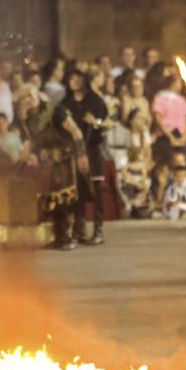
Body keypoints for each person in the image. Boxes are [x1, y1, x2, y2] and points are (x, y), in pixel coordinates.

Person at [26, 89, 88, 250]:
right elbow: (36, 142)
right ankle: (60, 235)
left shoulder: (56, 112)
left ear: (39, 97)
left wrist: (81, 155)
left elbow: (75, 131)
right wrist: (36, 154)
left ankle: (73, 235)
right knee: (53, 199)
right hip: (51, 162)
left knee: (70, 197)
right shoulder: (31, 119)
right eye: (23, 97)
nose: (27, 100)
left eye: (30, 96)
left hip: (69, 159)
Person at [62, 68, 110, 245]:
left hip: (92, 149)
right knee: (77, 191)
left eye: (77, 77)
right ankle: (78, 229)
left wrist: (95, 122)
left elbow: (108, 123)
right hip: (74, 150)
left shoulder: (95, 101)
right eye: (71, 77)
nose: (73, 81)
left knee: (95, 190)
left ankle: (98, 229)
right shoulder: (66, 103)